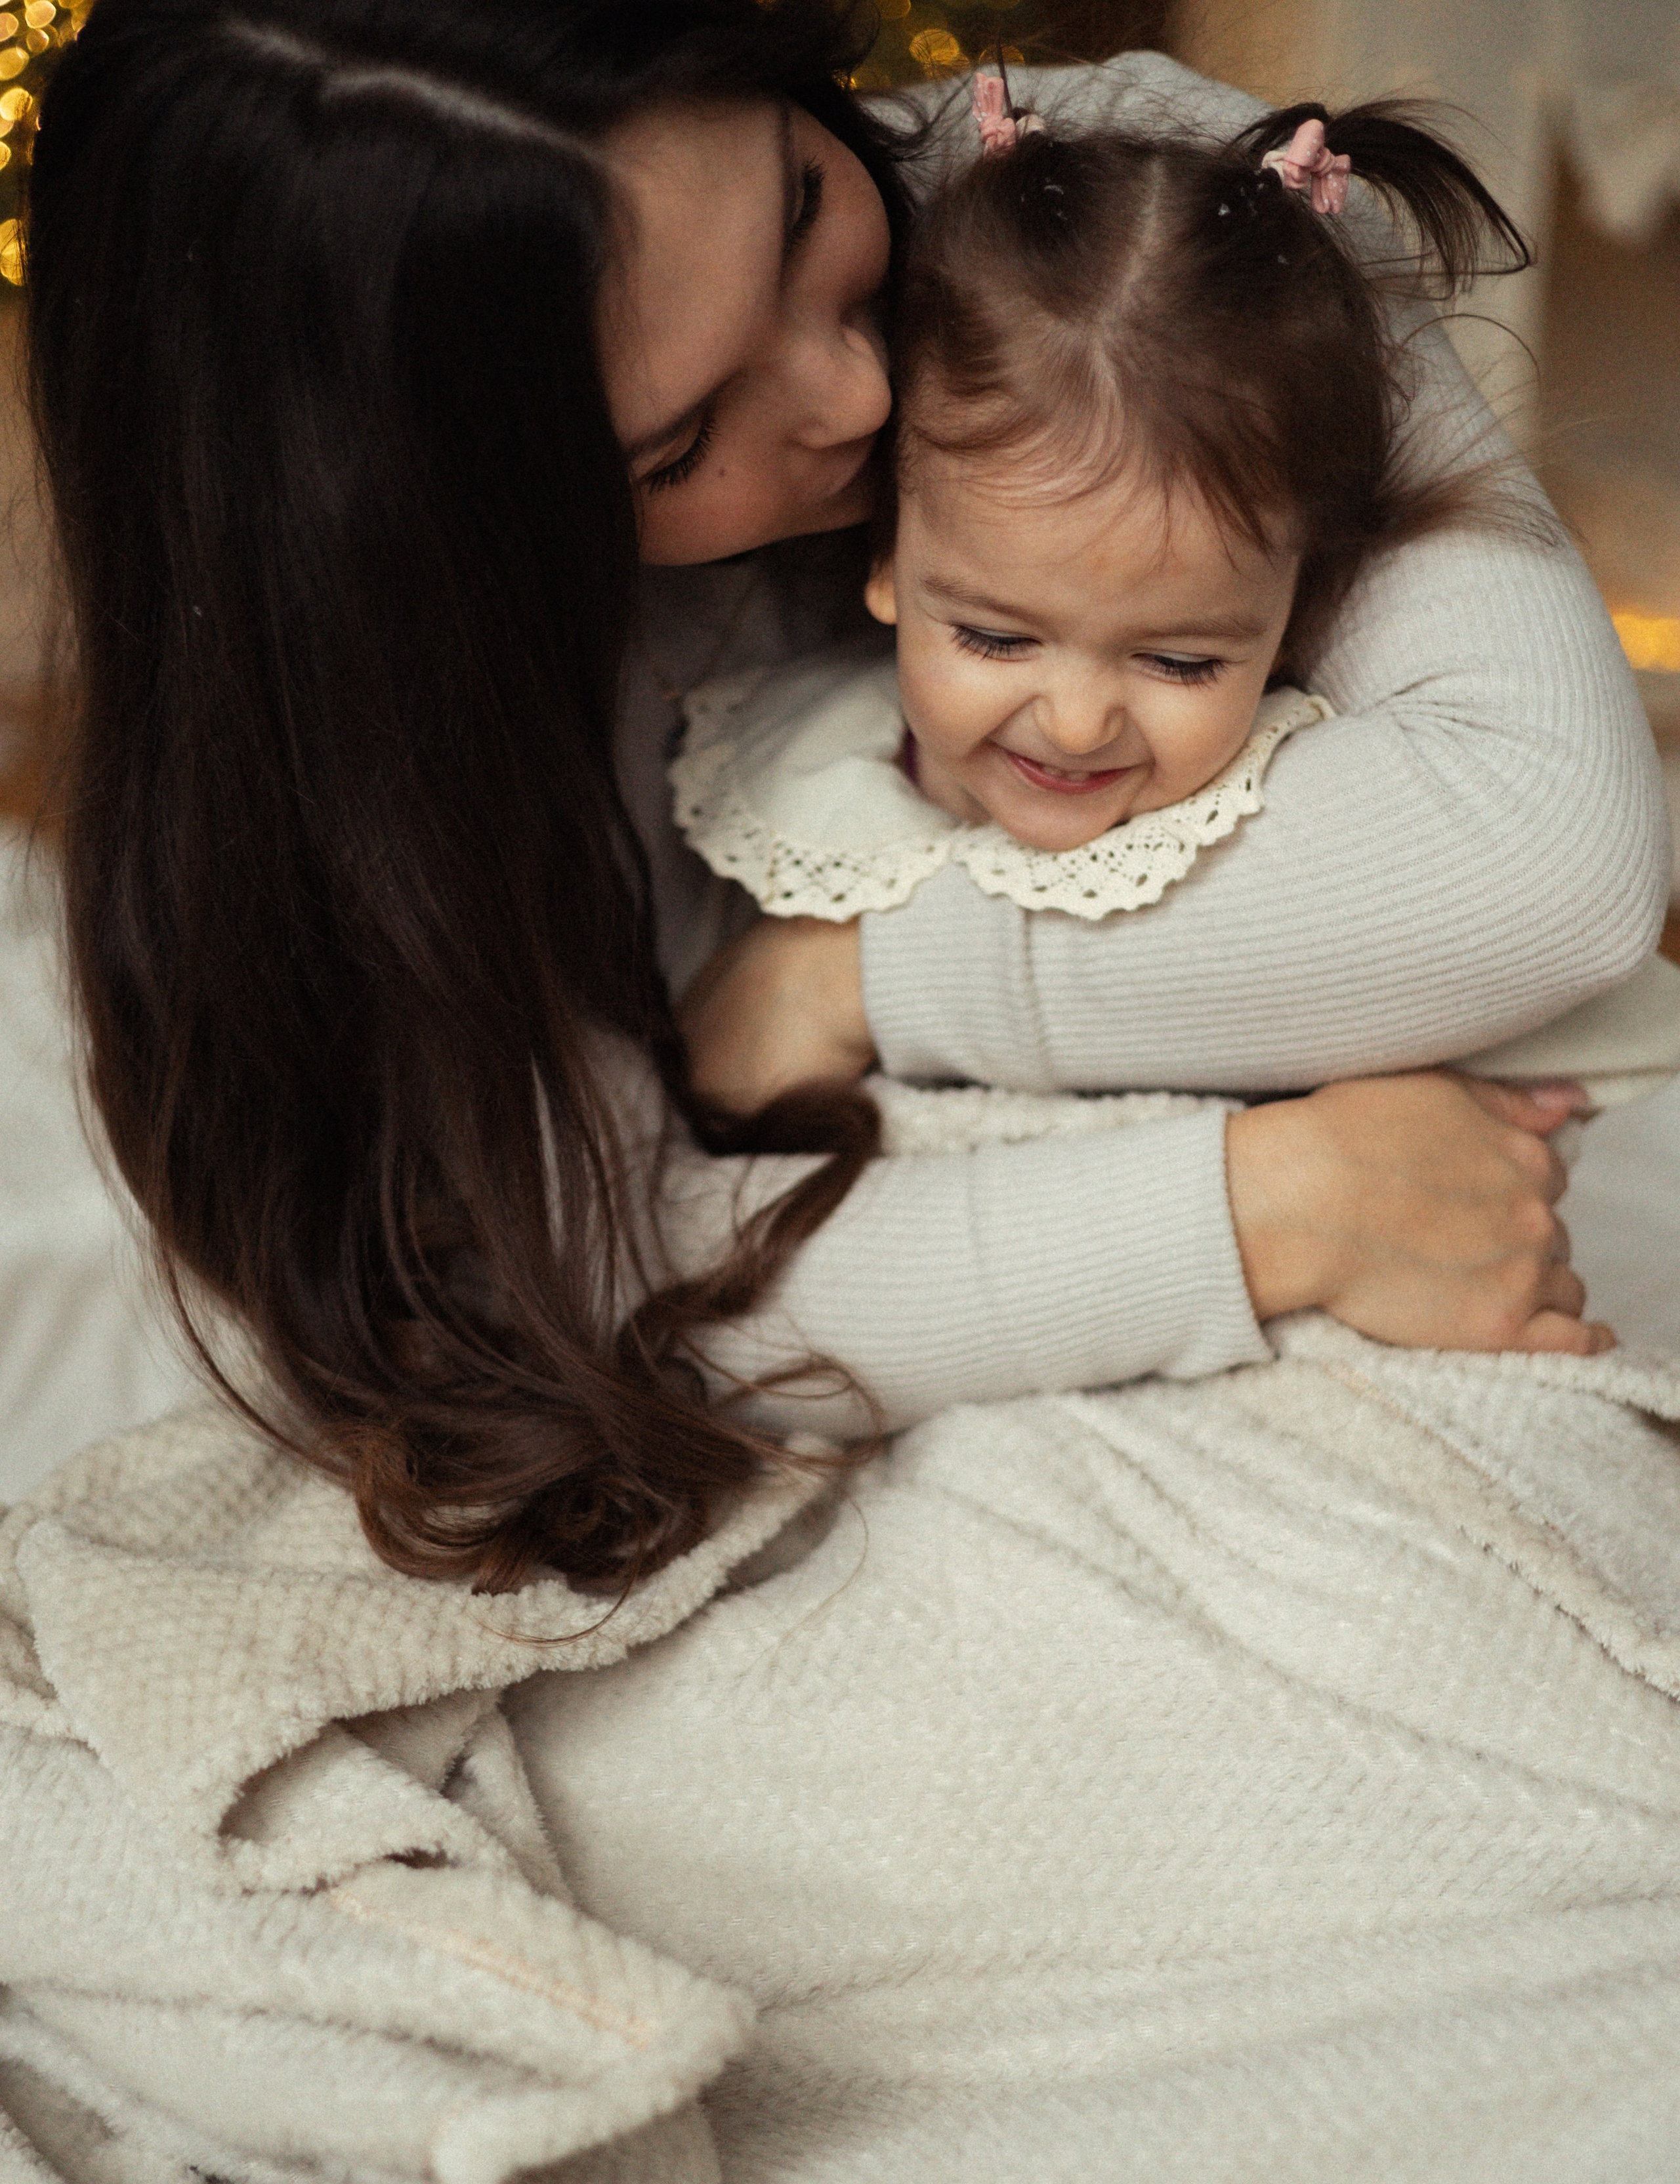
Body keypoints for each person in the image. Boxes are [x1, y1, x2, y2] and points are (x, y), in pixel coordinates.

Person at [23, 0, 1669, 1601]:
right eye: (679, 445)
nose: (856, 400)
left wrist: (862, 972)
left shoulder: (1135, 221)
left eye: (804, 204)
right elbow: (563, 1284)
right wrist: (1262, 1215)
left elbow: (1550, 857)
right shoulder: (392, 733)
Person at [673, 82, 1680, 1134]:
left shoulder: (1309, 833)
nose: (1075, 724)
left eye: (1181, 662)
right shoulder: (781, 778)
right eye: (994, 636)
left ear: (1298, 613)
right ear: (885, 559)